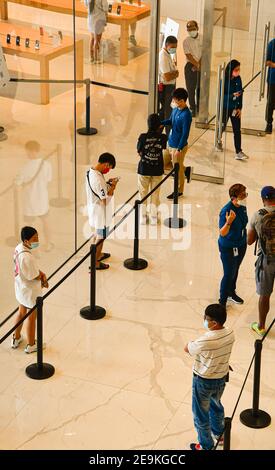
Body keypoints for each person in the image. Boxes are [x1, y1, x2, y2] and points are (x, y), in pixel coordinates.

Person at [184, 304, 235, 451]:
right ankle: (219, 433)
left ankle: (206, 446)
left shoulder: (206, 339)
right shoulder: (230, 333)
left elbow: (187, 348)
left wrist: (190, 343)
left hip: (203, 381)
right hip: (221, 378)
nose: (204, 320)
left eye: (206, 318)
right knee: (216, 405)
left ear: (214, 323)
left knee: (200, 414)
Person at [12, 226, 48, 353]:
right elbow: (33, 275)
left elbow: (29, 271)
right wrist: (43, 277)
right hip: (30, 292)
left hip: (21, 288)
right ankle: (31, 344)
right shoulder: (28, 257)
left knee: (21, 312)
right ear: (26, 241)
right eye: (34, 238)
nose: (37, 240)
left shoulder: (18, 248)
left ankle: (16, 338)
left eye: (37, 237)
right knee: (32, 318)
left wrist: (40, 273)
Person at [247, 186, 275, 336]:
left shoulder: (258, 215)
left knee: (264, 295)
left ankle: (261, 326)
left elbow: (250, 241)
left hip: (266, 260)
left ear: (263, 199)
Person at [15, 141, 53, 251]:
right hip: (42, 200)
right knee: (46, 222)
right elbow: (48, 180)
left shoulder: (25, 167)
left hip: (29, 202)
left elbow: (17, 183)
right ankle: (48, 244)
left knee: (30, 226)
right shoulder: (46, 165)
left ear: (30, 151)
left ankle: (32, 248)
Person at [86, 152, 118, 270]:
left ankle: (98, 254)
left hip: (93, 208)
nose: (108, 170)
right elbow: (105, 200)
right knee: (101, 236)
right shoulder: (98, 180)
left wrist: (107, 184)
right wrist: (113, 187)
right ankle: (95, 262)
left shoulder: (91, 171)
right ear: (106, 164)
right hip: (100, 212)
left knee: (98, 233)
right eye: (109, 167)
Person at [218, 184, 248, 306]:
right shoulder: (226, 211)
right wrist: (229, 222)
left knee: (236, 269)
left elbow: (244, 223)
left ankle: (231, 292)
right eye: (242, 195)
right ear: (233, 197)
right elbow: (222, 232)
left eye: (245, 193)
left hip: (241, 243)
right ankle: (222, 300)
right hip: (228, 246)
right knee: (228, 273)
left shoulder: (242, 206)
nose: (245, 196)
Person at [162, 88, 192, 199]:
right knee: (163, 163)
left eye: (176, 100)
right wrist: (160, 123)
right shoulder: (175, 109)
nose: (174, 101)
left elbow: (185, 134)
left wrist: (179, 149)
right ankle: (186, 170)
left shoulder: (186, 115)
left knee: (177, 170)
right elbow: (170, 121)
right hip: (170, 143)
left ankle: (179, 190)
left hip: (179, 146)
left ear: (183, 101)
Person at [137, 113, 167, 225]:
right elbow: (163, 147)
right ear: (159, 125)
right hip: (157, 169)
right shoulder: (163, 137)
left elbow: (139, 151)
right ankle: (154, 216)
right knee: (155, 194)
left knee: (142, 193)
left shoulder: (142, 137)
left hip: (144, 168)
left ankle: (143, 216)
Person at [219, 60, 249, 160]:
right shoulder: (223, 81)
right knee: (221, 127)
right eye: (236, 70)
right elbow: (221, 97)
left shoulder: (238, 79)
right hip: (225, 108)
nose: (238, 71)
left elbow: (240, 94)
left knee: (237, 130)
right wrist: (232, 96)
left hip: (235, 108)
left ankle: (238, 151)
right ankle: (218, 141)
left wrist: (240, 108)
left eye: (239, 69)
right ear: (231, 70)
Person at [158, 35, 179, 136]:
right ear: (167, 45)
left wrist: (174, 73)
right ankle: (167, 134)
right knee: (168, 112)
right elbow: (167, 76)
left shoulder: (168, 55)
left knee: (164, 112)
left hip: (170, 87)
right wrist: (175, 73)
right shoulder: (163, 56)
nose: (174, 49)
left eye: (176, 47)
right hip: (166, 88)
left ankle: (158, 131)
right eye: (173, 47)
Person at [183, 20, 202, 117]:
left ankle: (200, 107)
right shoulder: (186, 41)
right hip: (190, 66)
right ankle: (193, 108)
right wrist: (196, 65)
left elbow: (205, 52)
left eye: (193, 28)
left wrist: (199, 65)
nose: (191, 31)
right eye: (189, 29)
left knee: (200, 88)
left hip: (202, 64)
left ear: (197, 28)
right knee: (190, 89)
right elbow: (188, 55)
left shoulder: (203, 39)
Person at [265, 38, 275, 134]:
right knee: (271, 102)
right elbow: (266, 61)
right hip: (273, 79)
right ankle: (269, 123)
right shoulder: (271, 44)